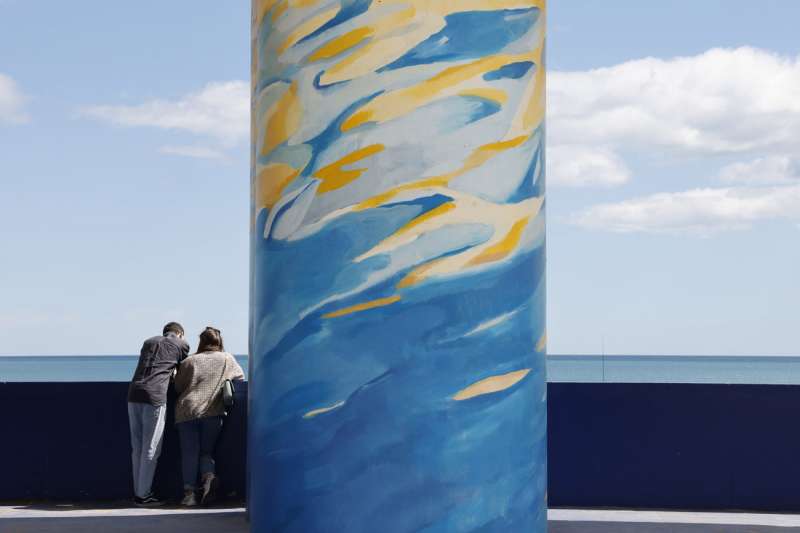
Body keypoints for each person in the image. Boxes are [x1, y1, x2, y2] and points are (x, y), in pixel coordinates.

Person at [174, 326, 244, 506]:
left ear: (201, 342)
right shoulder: (227, 359)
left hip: (187, 410)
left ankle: (189, 495)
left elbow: (178, 386)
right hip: (213, 411)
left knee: (189, 453)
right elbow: (240, 378)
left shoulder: (190, 361)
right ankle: (209, 477)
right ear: (219, 342)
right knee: (206, 452)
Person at [127, 321, 190, 507]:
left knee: (137, 447)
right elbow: (182, 369)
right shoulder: (181, 344)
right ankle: (143, 495)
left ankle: (138, 492)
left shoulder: (148, 342)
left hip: (133, 393)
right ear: (180, 334)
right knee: (151, 448)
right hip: (154, 395)